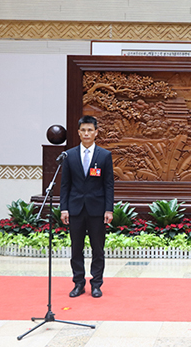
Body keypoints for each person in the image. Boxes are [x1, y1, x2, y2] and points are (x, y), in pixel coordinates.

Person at [60, 115, 114, 298]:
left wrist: (109, 209)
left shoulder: (105, 156)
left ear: (96, 132)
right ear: (78, 132)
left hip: (97, 210)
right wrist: (64, 208)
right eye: (83, 130)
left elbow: (108, 185)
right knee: (76, 249)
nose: (86, 133)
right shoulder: (69, 155)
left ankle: (96, 284)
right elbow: (65, 185)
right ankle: (78, 283)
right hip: (75, 209)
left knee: (98, 249)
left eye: (90, 130)